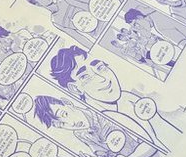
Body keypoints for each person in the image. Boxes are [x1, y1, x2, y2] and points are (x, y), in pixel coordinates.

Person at [49, 44, 179, 150]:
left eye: (100, 67)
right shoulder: (98, 123)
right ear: (75, 88)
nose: (103, 78)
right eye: (85, 76)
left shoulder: (128, 97)